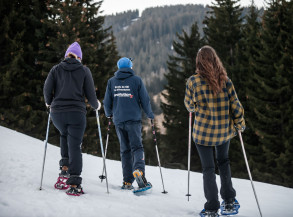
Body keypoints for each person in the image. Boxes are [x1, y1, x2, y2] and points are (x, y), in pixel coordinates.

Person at [184, 45, 245, 217]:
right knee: (223, 162)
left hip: (202, 133)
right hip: (223, 132)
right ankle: (229, 201)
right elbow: (236, 105)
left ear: (199, 62)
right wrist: (240, 122)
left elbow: (189, 106)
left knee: (208, 169)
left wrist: (196, 104)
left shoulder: (192, 82)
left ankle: (211, 207)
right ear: (215, 60)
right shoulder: (225, 80)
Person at [43, 42, 101, 196]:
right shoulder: (84, 70)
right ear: (79, 57)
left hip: (57, 113)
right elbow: (90, 95)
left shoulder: (55, 69)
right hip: (76, 113)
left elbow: (47, 89)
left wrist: (49, 102)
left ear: (66, 55)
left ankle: (64, 169)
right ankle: (74, 182)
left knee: (64, 135)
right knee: (74, 145)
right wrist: (97, 105)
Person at [103, 57, 154, 190]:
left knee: (125, 150)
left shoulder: (111, 81)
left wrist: (109, 114)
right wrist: (150, 114)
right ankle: (139, 171)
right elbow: (145, 99)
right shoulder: (136, 80)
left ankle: (127, 181)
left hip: (119, 120)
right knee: (137, 148)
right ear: (130, 67)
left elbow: (106, 102)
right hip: (133, 120)